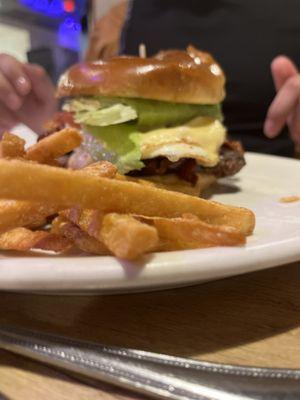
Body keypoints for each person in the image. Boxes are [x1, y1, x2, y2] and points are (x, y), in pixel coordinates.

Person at [0, 0, 300, 157]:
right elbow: (95, 130)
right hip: (131, 196)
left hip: (281, 206)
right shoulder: (117, 21)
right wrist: (45, 116)